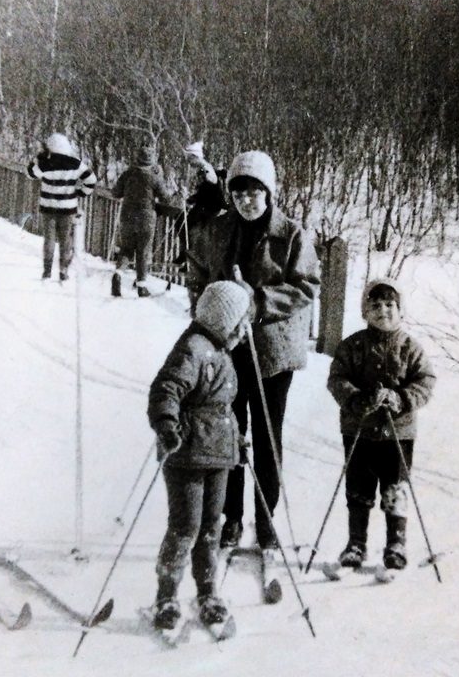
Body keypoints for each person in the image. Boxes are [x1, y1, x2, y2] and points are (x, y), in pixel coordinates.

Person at [186, 150, 321, 552]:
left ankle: (265, 518)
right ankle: (231, 517)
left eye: (255, 190)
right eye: (239, 191)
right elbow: (196, 271)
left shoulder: (291, 234)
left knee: (266, 438)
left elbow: (307, 286)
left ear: (269, 192)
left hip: (271, 351)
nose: (247, 199)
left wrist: (258, 301)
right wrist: (207, 308)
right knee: (228, 435)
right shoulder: (217, 229)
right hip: (226, 348)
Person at [148, 280, 252, 629]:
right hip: (188, 455)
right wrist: (166, 423)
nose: (245, 330)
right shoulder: (193, 348)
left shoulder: (221, 351)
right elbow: (167, 387)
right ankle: (166, 596)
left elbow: (223, 408)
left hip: (218, 456)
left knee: (211, 526)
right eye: (242, 322)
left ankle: (207, 591)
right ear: (224, 320)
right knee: (185, 526)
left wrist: (237, 441)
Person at [326, 278, 436, 571]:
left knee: (395, 488)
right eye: (375, 305)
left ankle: (396, 543)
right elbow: (337, 378)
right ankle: (356, 543)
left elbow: (425, 381)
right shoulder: (352, 346)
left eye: (390, 305)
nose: (383, 311)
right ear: (365, 311)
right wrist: (356, 399)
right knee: (359, 488)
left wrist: (401, 399)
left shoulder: (410, 347)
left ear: (401, 310)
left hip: (398, 434)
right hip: (358, 430)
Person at [26, 133, 97, 281]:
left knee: (49, 239)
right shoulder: (75, 163)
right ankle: (63, 270)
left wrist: (37, 158)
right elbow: (91, 180)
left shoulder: (46, 163)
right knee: (66, 240)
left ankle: (47, 271)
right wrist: (81, 193)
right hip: (68, 207)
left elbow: (30, 173)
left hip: (48, 207)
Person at [111, 144, 175, 297]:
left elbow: (115, 193)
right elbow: (166, 197)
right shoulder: (154, 176)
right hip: (146, 218)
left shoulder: (128, 173)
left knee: (126, 249)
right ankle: (141, 286)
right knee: (142, 251)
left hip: (127, 216)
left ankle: (118, 273)